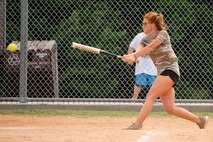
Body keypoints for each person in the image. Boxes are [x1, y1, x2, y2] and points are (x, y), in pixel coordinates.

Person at [122, 11, 208, 130]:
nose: (142, 25)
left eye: (144, 23)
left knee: (150, 96)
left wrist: (134, 56)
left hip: (170, 69)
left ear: (152, 25)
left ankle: (138, 124)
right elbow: (140, 50)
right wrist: (130, 57)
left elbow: (151, 47)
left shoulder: (163, 34)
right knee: (170, 108)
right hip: (162, 73)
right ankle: (200, 120)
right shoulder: (144, 39)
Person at [128, 33, 157, 99]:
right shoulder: (139, 36)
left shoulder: (157, 36)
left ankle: (152, 98)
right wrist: (130, 57)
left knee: (153, 83)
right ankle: (135, 97)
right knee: (139, 82)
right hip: (141, 63)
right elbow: (131, 47)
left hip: (152, 64)